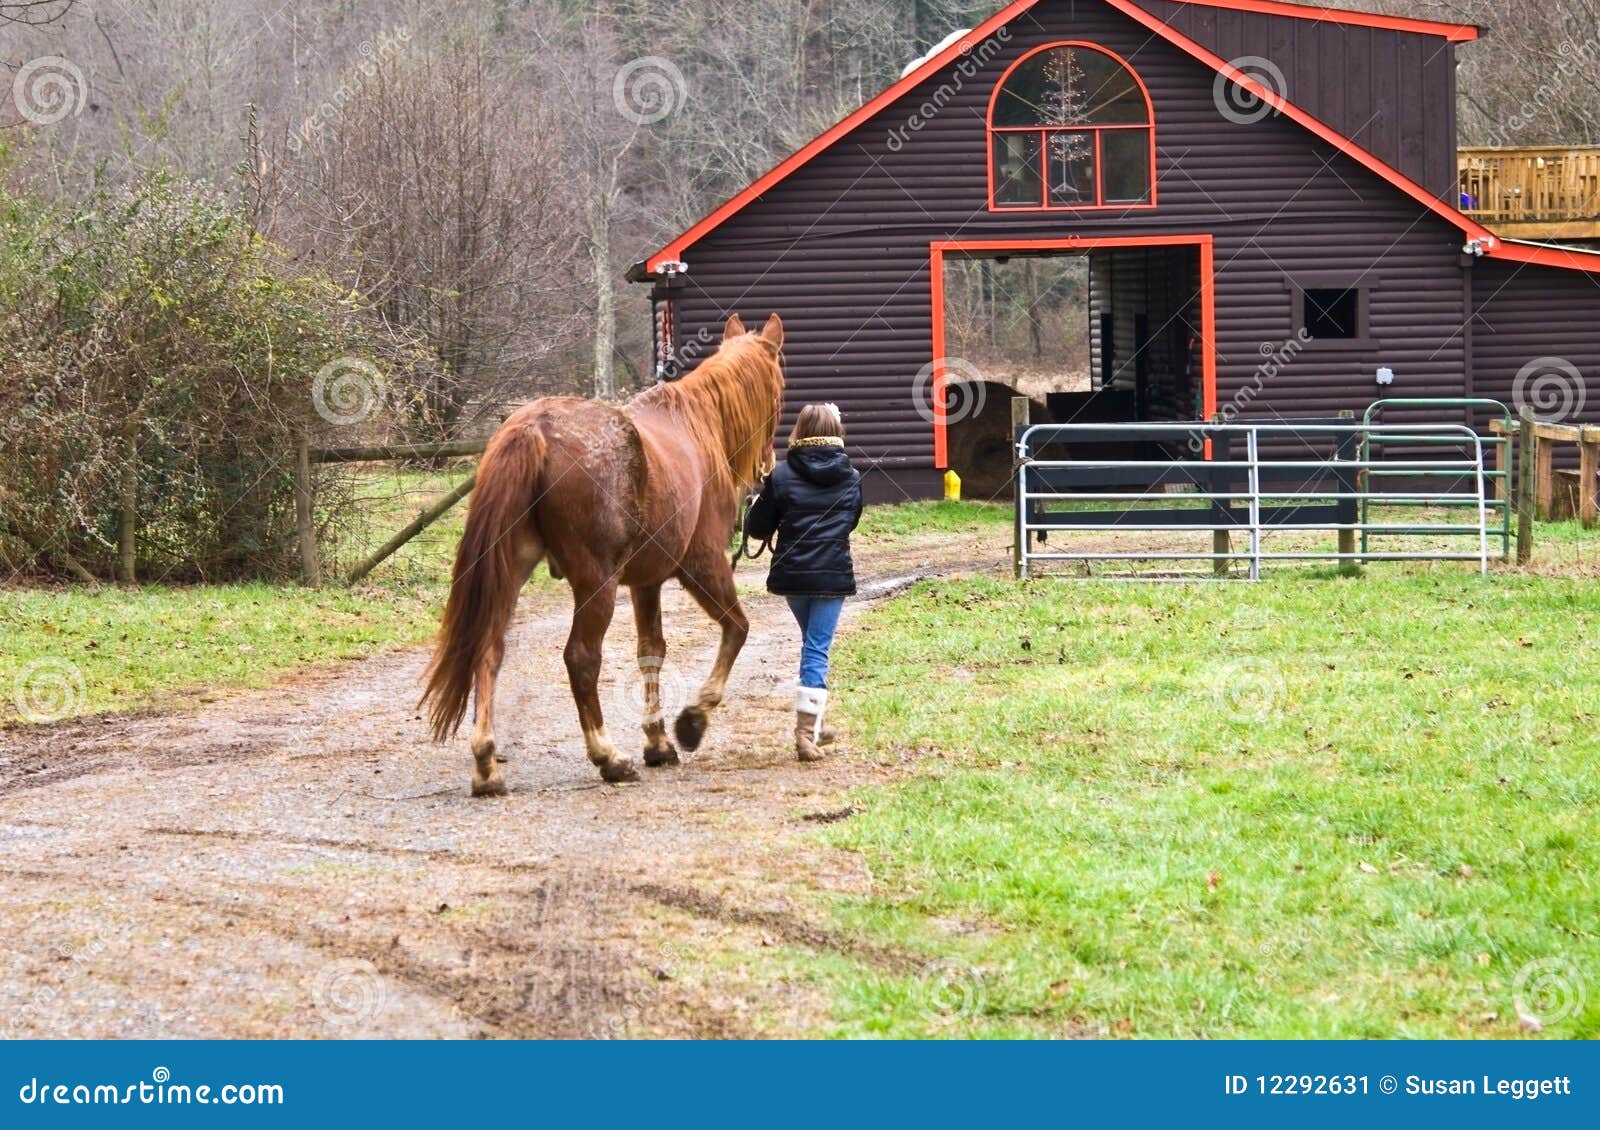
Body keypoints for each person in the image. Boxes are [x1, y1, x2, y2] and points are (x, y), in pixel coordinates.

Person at [744, 403, 864, 762]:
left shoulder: (780, 477)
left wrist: (756, 503)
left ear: (800, 430)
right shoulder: (852, 476)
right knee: (816, 649)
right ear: (836, 431)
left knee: (813, 646)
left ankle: (815, 722)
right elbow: (851, 521)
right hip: (831, 575)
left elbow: (758, 528)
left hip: (794, 577)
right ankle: (805, 732)